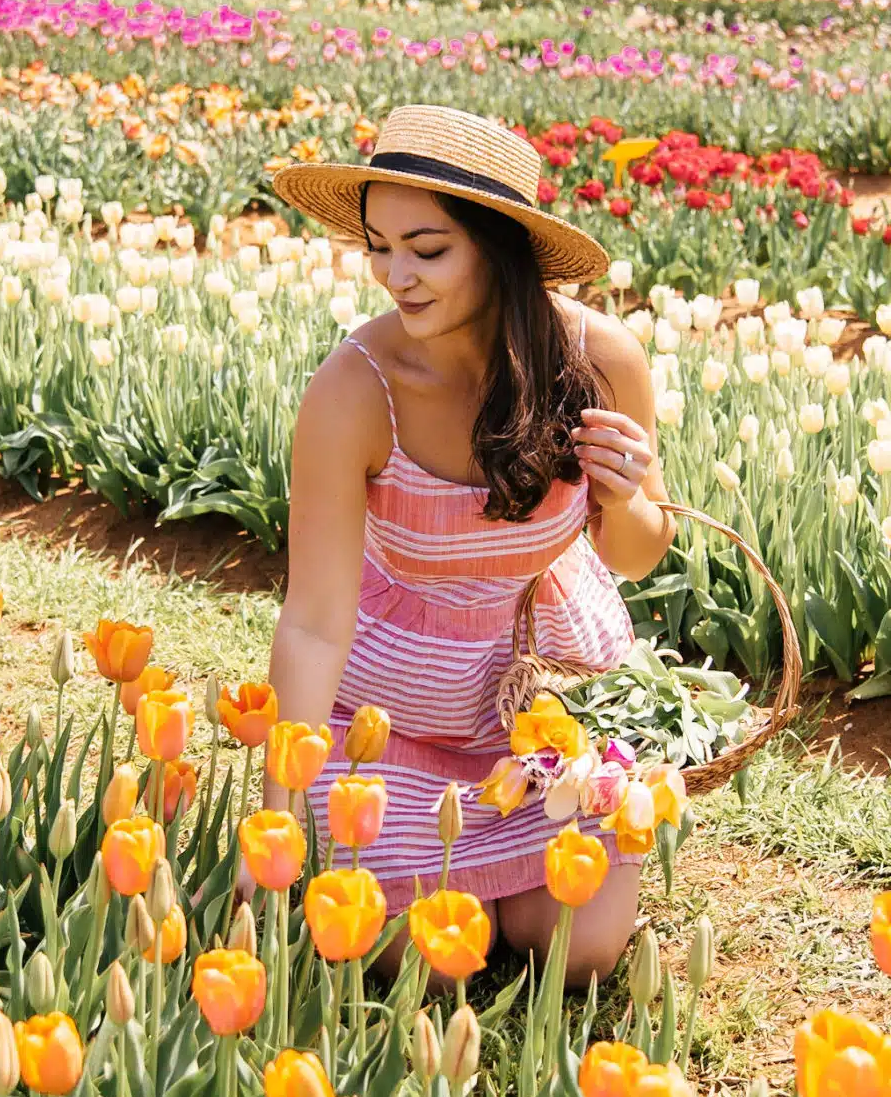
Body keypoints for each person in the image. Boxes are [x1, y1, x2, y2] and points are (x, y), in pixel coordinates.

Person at [264, 105, 675, 985]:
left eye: (427, 248)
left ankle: (500, 870)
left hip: (519, 725)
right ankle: (440, 876)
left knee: (581, 949)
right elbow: (313, 624)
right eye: (379, 245)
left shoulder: (601, 361)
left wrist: (626, 491)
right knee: (422, 954)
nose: (394, 275)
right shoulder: (355, 388)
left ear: (499, 246)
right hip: (380, 724)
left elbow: (640, 553)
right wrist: (277, 820)